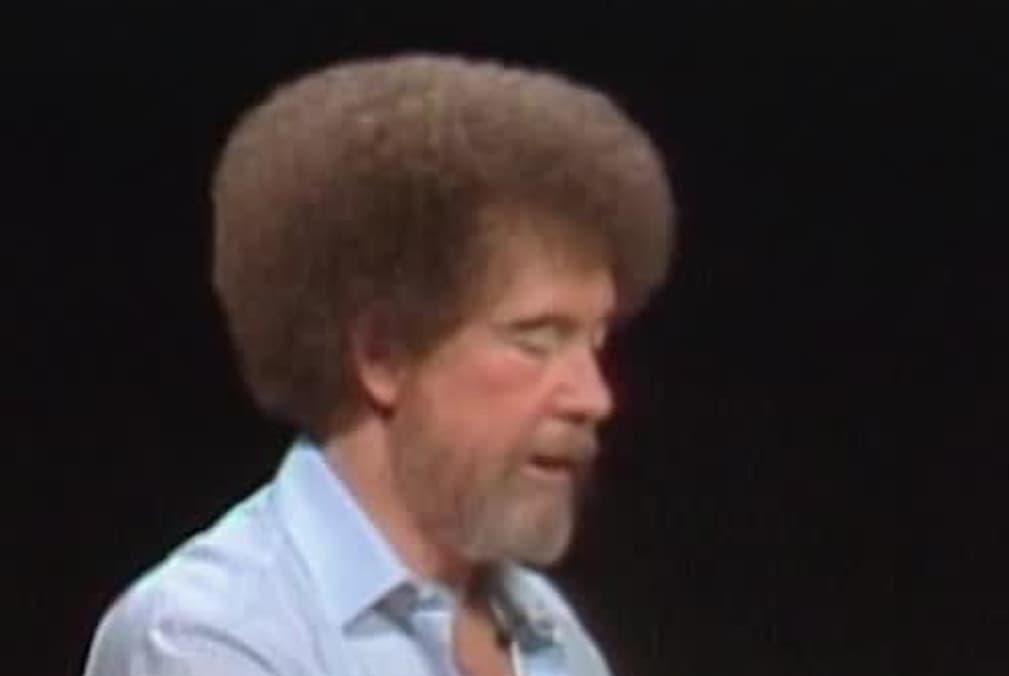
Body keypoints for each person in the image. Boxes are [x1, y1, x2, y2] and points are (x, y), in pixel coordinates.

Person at [82, 52, 675, 676]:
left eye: (595, 344)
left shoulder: (548, 631)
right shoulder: (212, 633)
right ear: (383, 356)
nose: (594, 397)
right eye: (536, 340)